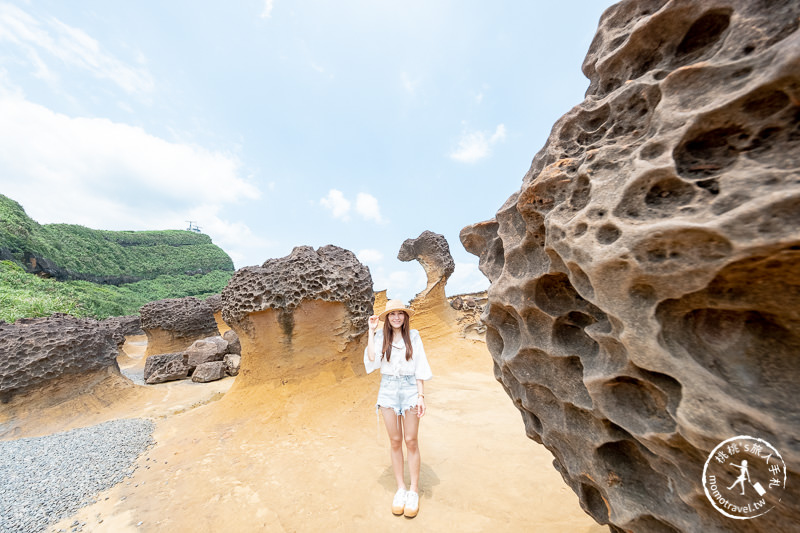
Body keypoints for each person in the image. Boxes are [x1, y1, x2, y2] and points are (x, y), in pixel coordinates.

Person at [364, 299, 432, 518]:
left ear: (405, 316)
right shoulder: (381, 337)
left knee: (411, 440)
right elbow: (372, 360)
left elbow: (420, 366)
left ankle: (413, 491)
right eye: (392, 314)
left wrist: (421, 396)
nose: (396, 317)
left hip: (411, 388)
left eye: (400, 314)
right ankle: (400, 489)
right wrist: (371, 331)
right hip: (388, 390)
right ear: (387, 317)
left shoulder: (414, 336)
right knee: (395, 441)